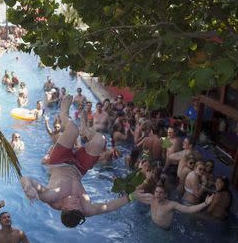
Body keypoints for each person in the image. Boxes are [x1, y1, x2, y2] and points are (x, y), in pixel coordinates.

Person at [21, 95, 147, 228]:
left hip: (59, 162)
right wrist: (132, 197)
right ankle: (86, 131)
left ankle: (63, 114)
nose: (78, 202)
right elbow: (108, 206)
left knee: (72, 129)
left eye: (75, 204)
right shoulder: (86, 209)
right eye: (80, 206)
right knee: (101, 140)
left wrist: (28, 187)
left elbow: (26, 178)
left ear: (64, 208)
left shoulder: (52, 197)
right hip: (78, 168)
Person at [137, 184, 212, 229]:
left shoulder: (171, 205)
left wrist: (205, 203)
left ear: (165, 195)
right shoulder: (151, 198)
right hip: (152, 226)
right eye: (156, 192)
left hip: (163, 232)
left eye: (161, 193)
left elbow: (188, 209)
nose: (158, 194)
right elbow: (136, 195)